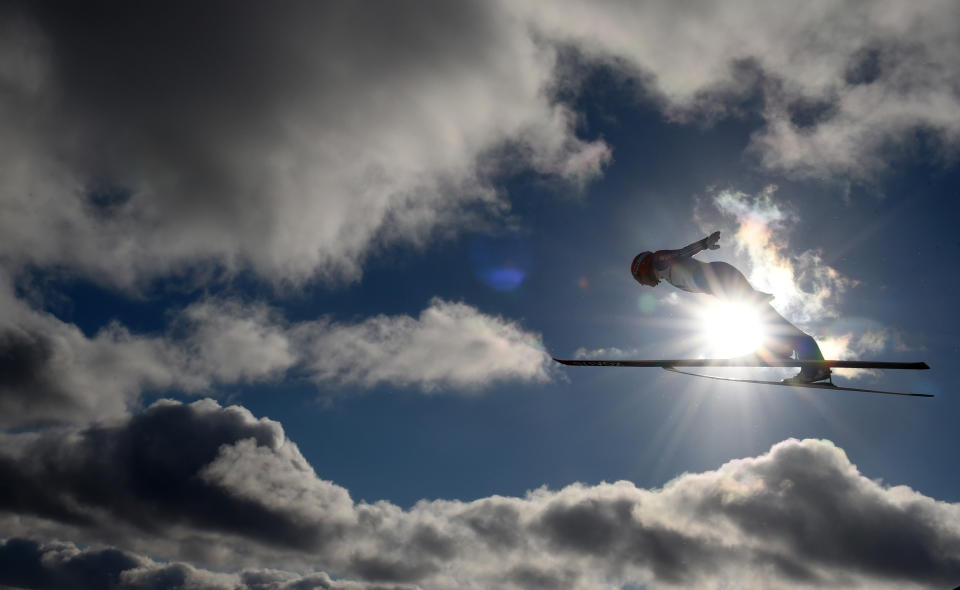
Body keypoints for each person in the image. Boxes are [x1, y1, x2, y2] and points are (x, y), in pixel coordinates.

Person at [630, 231, 830, 383]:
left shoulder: (658, 261)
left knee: (759, 316)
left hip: (721, 279)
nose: (646, 284)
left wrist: (704, 244)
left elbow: (681, 253)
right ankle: (782, 349)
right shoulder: (664, 273)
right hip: (721, 282)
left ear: (643, 268)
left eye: (642, 279)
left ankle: (801, 359)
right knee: (763, 318)